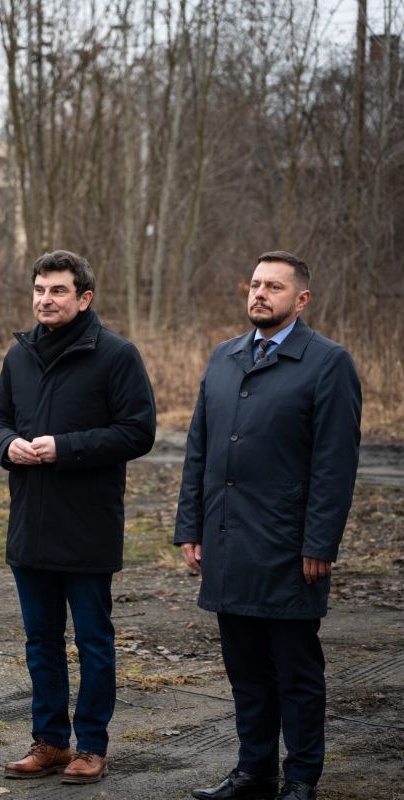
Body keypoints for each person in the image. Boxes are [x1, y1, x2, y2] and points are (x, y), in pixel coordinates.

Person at [175, 251, 361, 800]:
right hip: (228, 541)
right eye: (255, 284)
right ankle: (253, 772)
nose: (259, 294)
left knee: (296, 676)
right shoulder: (225, 356)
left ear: (300, 300)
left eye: (273, 287)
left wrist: (319, 543)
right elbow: (198, 450)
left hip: (288, 547)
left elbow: (334, 465)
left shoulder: (328, 363)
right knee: (246, 671)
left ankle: (300, 778)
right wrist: (192, 527)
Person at [0, 250, 156, 784]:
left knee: (93, 642)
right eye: (39, 289)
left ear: (84, 298)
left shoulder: (116, 355)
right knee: (40, 642)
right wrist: (7, 445)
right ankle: (51, 742)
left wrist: (66, 447)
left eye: (58, 291)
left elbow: (138, 431)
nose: (45, 299)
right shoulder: (19, 356)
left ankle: (92, 746)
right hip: (30, 526)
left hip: (87, 526)